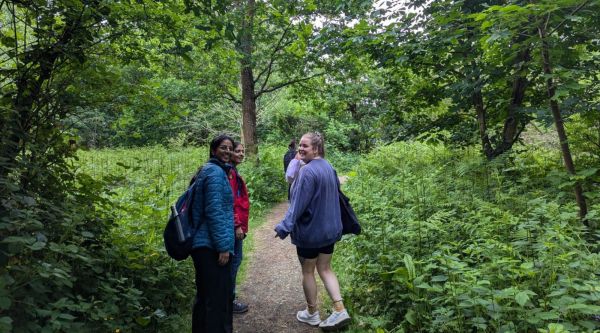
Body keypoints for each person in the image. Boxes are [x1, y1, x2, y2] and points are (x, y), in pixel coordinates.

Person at [274, 132, 351, 331]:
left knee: (308, 270)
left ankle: (311, 313)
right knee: (325, 268)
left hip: (310, 233)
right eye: (299, 145)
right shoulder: (329, 168)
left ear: (316, 149)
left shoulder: (307, 171)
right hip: (329, 231)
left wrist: (283, 227)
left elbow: (297, 205)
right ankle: (339, 308)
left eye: (304, 146)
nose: (300, 149)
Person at [190, 134, 235, 333]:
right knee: (216, 300)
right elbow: (215, 212)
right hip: (210, 246)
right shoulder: (215, 174)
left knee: (205, 297)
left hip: (203, 245)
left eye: (230, 148)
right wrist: (223, 247)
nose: (227, 151)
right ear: (214, 149)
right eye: (223, 147)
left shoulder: (208, 170)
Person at [228, 142, 250, 314]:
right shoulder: (229, 174)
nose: (241, 154)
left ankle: (228, 298)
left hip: (237, 225)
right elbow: (230, 203)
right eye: (237, 151)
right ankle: (229, 300)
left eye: (243, 151)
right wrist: (237, 226)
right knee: (233, 262)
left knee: (234, 261)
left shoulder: (234, 171)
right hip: (234, 227)